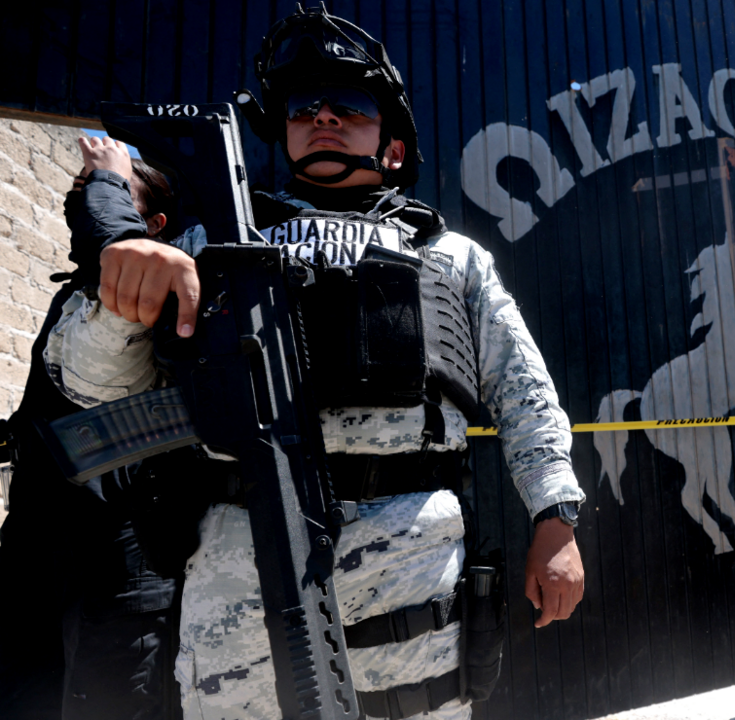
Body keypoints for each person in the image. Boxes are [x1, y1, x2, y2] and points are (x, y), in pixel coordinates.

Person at [43, 7, 586, 720]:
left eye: (351, 106)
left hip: (415, 592)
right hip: (245, 591)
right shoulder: (212, 245)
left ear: (391, 144)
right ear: (284, 128)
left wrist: (556, 515)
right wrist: (120, 296)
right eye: (304, 106)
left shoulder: (451, 258)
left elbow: (524, 391)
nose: (324, 116)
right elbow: (88, 382)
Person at [0, 136, 182, 720]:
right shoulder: (74, 294)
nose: (87, 193)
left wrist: (104, 182)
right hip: (35, 540)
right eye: (82, 186)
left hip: (118, 552)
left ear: (150, 222)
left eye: (108, 188)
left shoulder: (165, 292)